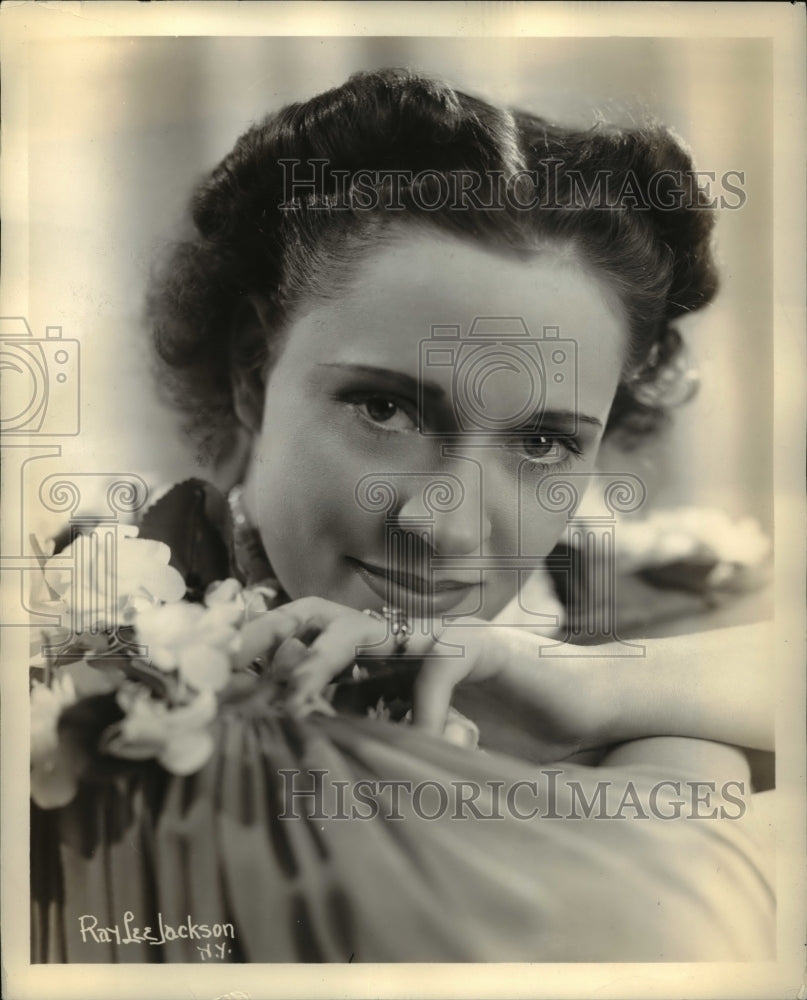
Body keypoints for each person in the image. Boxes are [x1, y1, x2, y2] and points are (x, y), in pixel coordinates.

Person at [31, 68, 774, 963]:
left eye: (542, 442)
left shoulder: (644, 600)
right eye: (385, 410)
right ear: (248, 370)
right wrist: (681, 746)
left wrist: (598, 690)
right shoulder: (87, 661)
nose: (448, 529)